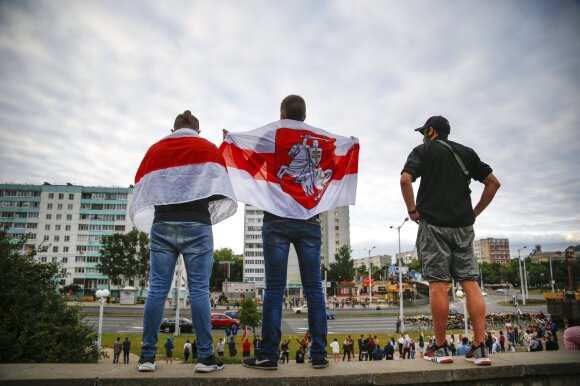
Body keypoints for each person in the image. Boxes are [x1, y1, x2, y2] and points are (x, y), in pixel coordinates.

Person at [223, 95, 358, 371]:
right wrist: (352, 143)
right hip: (310, 221)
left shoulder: (273, 134)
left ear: (281, 113)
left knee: (273, 288)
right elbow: (332, 166)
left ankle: (269, 356)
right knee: (315, 290)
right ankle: (319, 355)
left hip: (276, 220)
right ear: (305, 117)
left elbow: (252, 160)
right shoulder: (320, 140)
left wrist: (234, 141)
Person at [130, 110, 237, 373]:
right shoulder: (207, 148)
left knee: (157, 290)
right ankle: (205, 358)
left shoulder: (155, 150)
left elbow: (144, 188)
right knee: (199, 290)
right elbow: (220, 187)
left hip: (163, 224)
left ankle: (146, 358)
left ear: (173, 128)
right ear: (198, 131)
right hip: (197, 224)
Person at [400, 115, 500, 366]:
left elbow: (405, 179)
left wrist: (412, 210)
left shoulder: (422, 150)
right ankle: (479, 348)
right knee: (470, 282)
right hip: (463, 227)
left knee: (437, 284)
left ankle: (441, 347)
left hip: (433, 226)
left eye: (424, 131)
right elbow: (493, 183)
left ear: (431, 131)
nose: (423, 135)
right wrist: (473, 212)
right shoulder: (466, 152)